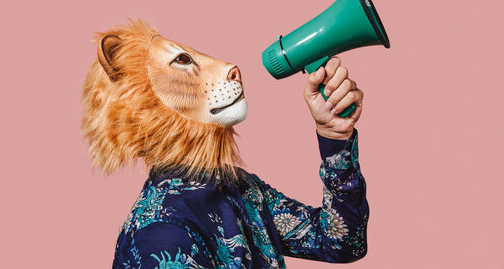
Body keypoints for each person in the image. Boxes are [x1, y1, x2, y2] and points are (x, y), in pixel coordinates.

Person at [112, 56, 368, 268]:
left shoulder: (238, 187)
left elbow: (341, 244)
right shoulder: (160, 235)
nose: (233, 70)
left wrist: (334, 137)